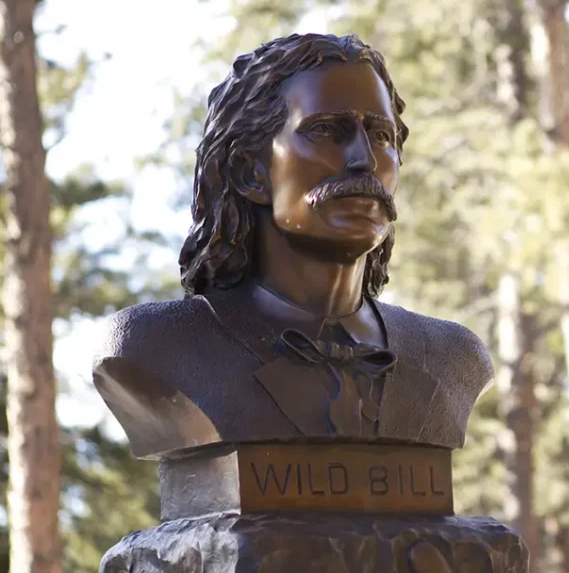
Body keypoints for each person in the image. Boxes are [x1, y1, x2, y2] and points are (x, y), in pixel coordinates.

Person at [92, 34, 493, 459]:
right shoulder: (154, 347)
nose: (365, 160)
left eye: (381, 136)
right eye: (326, 130)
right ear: (250, 172)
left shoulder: (452, 357)